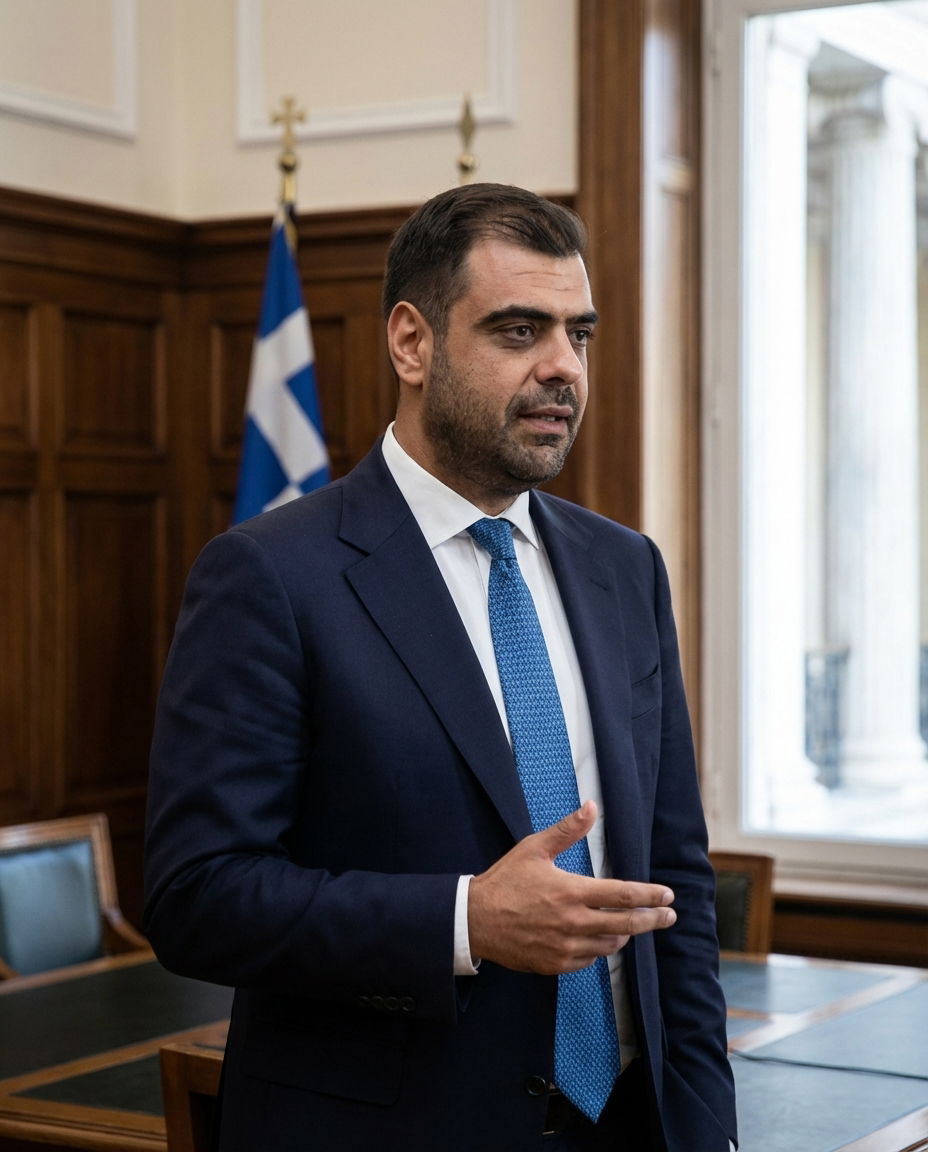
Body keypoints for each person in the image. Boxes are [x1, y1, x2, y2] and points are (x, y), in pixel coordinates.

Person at [144, 183, 737, 1152]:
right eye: (518, 331)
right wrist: (464, 920)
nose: (562, 369)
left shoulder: (623, 568)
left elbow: (677, 886)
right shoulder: (270, 577)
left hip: (629, 1124)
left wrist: (705, 1133)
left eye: (577, 335)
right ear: (411, 344)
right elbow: (196, 896)